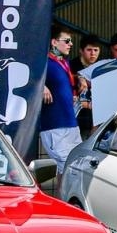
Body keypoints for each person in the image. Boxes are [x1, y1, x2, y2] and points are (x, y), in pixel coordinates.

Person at [39, 24, 83, 163]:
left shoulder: (64, 62)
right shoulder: (42, 62)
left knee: (74, 166)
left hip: (71, 123)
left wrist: (79, 78)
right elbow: (26, 77)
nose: (71, 44)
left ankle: (61, 186)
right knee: (66, 164)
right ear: (54, 42)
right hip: (54, 124)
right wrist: (40, 86)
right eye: (67, 41)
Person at [74, 36, 102, 133]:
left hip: (95, 121)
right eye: (89, 50)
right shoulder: (71, 66)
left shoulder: (101, 67)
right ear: (81, 51)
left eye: (96, 50)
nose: (93, 53)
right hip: (76, 118)